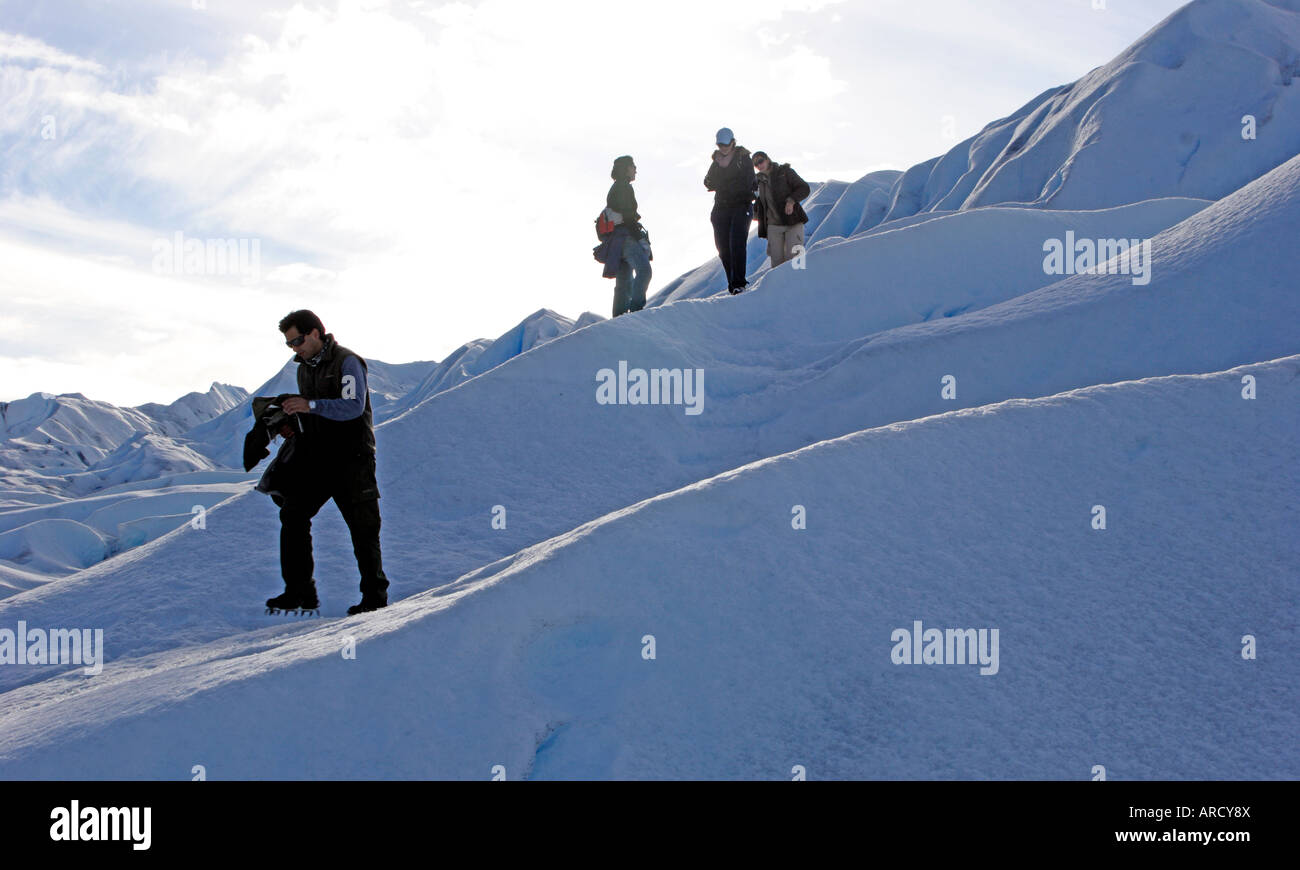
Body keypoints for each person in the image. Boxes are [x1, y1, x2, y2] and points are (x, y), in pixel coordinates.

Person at [264, 309, 390, 616]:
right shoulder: (303, 368)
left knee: (363, 529)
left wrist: (310, 404)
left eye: (297, 340)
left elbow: (352, 407)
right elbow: (316, 414)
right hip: (317, 460)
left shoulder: (348, 362)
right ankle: (299, 592)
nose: (294, 348)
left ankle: (374, 598)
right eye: (289, 344)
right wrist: (292, 422)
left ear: (316, 333)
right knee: (293, 516)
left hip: (353, 460)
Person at [703, 127, 755, 294]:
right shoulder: (716, 160)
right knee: (723, 247)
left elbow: (748, 181)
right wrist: (719, 171)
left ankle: (739, 283)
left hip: (741, 205)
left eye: (726, 144)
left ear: (733, 142)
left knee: (736, 243)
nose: (723, 148)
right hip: (721, 207)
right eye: (720, 145)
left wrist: (726, 184)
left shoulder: (743, 158)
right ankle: (732, 284)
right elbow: (708, 182)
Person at [605, 155, 652, 317]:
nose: (635, 170)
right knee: (644, 271)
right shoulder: (624, 187)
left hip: (617, 241)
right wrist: (640, 239)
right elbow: (628, 216)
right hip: (626, 237)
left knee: (624, 280)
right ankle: (636, 312)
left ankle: (619, 317)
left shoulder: (616, 187)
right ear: (626, 168)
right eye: (633, 166)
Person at [752, 151, 810, 269]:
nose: (759, 165)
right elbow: (759, 202)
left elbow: (804, 188)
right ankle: (781, 287)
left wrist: (791, 201)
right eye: (755, 164)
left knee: (796, 262)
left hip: (793, 222)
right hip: (773, 227)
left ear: (768, 159)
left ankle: (800, 286)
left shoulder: (784, 172)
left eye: (760, 161)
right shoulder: (757, 181)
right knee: (777, 266)